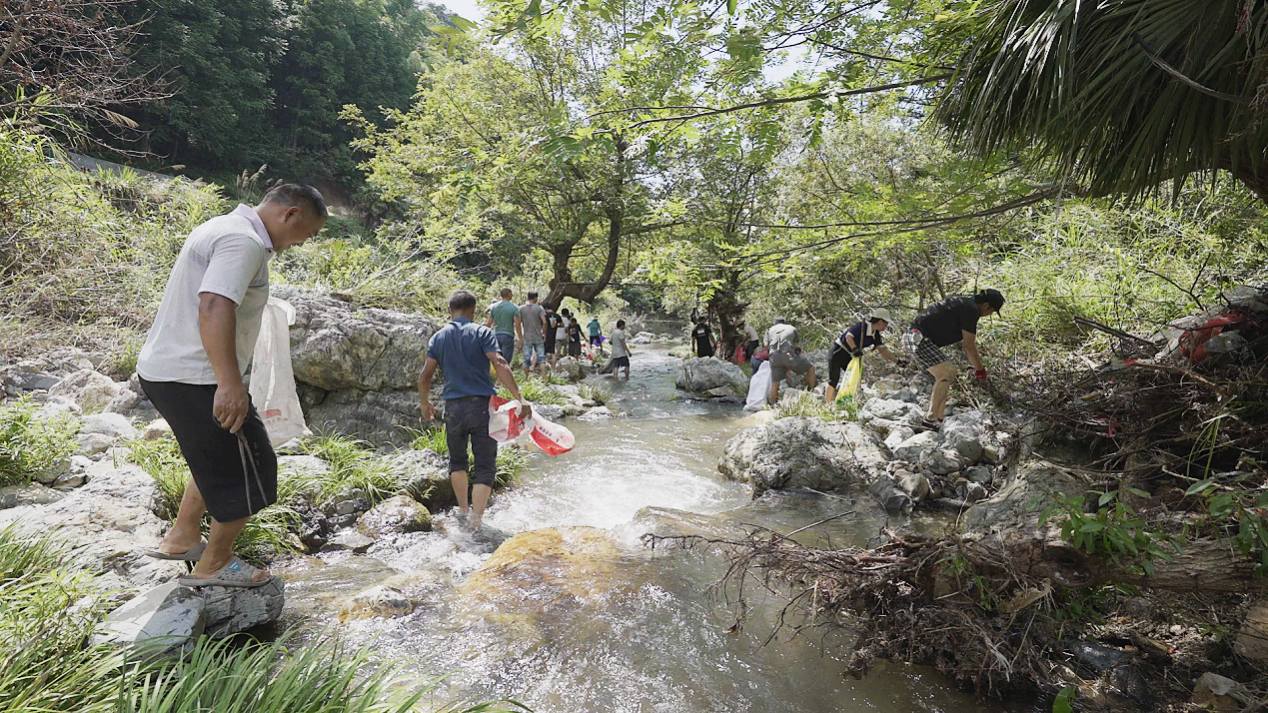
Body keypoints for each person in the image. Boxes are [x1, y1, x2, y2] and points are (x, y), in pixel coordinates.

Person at [136, 184, 327, 588]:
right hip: (196, 376)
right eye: (307, 233)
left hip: (169, 370)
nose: (302, 243)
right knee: (254, 466)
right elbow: (214, 304)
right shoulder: (244, 242)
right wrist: (229, 383)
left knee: (220, 455)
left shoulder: (221, 226)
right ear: (291, 214)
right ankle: (215, 564)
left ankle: (182, 538)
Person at [419, 290, 531, 529]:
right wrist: (519, 397)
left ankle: (462, 510)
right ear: (474, 311)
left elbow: (425, 375)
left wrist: (424, 403)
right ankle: (476, 522)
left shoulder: (438, 337)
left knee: (457, 461)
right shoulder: (482, 332)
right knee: (485, 465)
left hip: (453, 408)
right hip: (481, 407)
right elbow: (499, 362)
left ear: (449, 311)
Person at [905, 289, 1005, 430]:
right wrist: (980, 370)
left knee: (949, 374)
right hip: (916, 336)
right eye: (992, 311)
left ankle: (938, 420)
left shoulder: (966, 304)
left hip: (915, 336)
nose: (989, 314)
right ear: (986, 305)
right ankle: (929, 419)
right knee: (946, 374)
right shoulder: (971, 309)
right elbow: (969, 346)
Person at [825, 308, 908, 403]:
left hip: (849, 355)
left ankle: (848, 399)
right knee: (833, 379)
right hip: (838, 351)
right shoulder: (862, 326)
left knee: (855, 377)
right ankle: (828, 405)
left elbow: (883, 351)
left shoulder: (875, 335)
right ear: (880, 321)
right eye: (886, 323)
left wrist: (897, 361)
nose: (886, 326)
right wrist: (854, 348)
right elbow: (848, 336)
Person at [765, 318, 816, 405]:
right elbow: (795, 345)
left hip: (774, 356)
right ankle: (812, 394)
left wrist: (771, 355)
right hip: (788, 355)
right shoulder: (791, 328)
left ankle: (773, 406)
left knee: (775, 383)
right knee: (810, 369)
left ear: (774, 324)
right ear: (784, 323)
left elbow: (766, 346)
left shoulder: (769, 331)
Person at [485, 287, 520, 365]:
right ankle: (503, 373)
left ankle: (496, 372)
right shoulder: (513, 308)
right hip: (508, 335)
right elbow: (517, 324)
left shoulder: (494, 307)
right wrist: (520, 338)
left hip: (496, 335)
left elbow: (489, 323)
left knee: (496, 360)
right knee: (505, 361)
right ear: (509, 294)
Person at [519, 291, 547, 378]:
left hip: (527, 337)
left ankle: (526, 378)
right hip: (538, 337)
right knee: (541, 358)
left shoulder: (521, 308)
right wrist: (544, 333)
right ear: (535, 298)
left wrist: (520, 336)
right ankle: (544, 379)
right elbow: (545, 322)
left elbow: (518, 322)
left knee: (526, 358)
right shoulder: (539, 308)